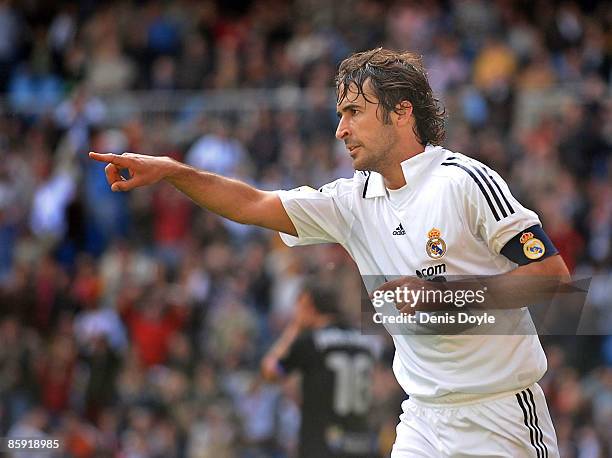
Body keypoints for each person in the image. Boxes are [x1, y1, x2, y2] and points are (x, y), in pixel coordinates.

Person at [90, 47, 570, 457]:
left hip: (499, 416)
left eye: (354, 112)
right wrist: (174, 171)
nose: (340, 130)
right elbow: (252, 203)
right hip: (423, 420)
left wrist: (444, 296)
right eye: (340, 115)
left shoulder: (463, 182)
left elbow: (552, 276)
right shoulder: (353, 201)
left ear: (401, 112)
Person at [261, 277, 383, 458]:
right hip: (362, 444)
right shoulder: (365, 342)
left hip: (323, 444)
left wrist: (294, 327)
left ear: (308, 304)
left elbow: (271, 372)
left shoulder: (311, 341)